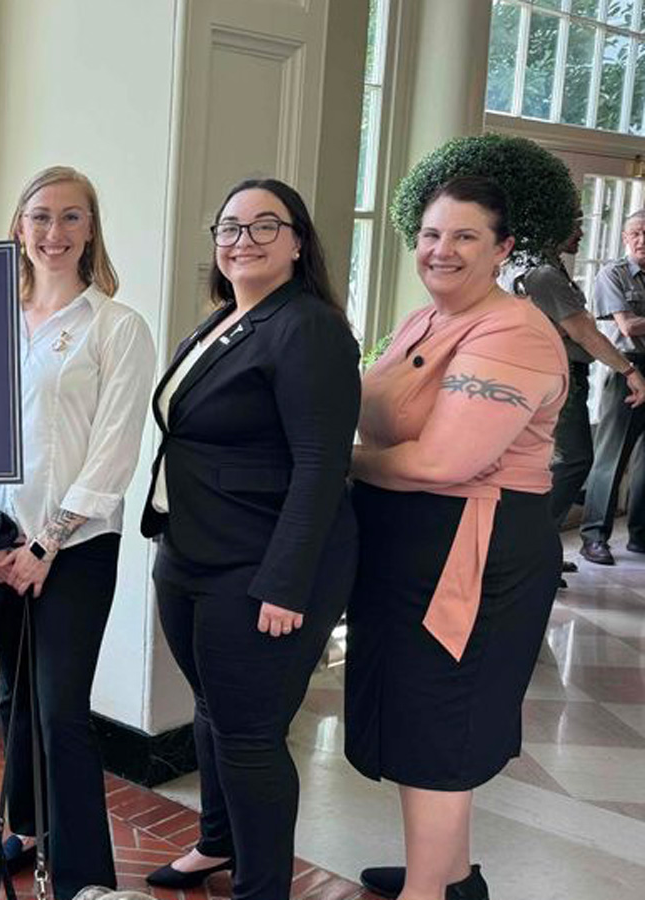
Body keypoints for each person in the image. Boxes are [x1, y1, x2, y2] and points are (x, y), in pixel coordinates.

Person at [138, 179, 360, 900]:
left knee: (249, 735)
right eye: (229, 227)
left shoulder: (309, 327)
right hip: (192, 549)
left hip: (261, 564)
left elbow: (323, 462)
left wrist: (287, 581)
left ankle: (262, 888)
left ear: (298, 243)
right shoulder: (224, 322)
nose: (242, 240)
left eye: (265, 226)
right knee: (213, 713)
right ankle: (215, 844)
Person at [347, 176, 567, 900]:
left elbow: (447, 461)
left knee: (440, 720)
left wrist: (341, 465)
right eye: (433, 234)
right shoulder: (424, 319)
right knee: (417, 714)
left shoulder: (513, 331)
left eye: (466, 236)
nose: (443, 250)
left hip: (474, 546)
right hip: (409, 538)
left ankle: (426, 894)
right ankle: (447, 875)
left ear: (503, 249)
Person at [0, 166, 156, 899]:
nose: (54, 233)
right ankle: (24, 827)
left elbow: (114, 452)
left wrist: (45, 544)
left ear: (91, 230)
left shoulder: (117, 326)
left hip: (73, 550)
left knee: (60, 710)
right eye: (41, 216)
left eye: (71, 217)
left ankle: (84, 879)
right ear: (18, 226)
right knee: (15, 697)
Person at [504, 221, 645, 575]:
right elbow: (589, 332)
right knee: (577, 460)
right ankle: (526, 549)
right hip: (560, 374)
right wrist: (629, 371)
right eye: (575, 225)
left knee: (560, 462)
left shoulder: (549, 268)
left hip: (567, 374)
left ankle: (537, 547)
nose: (582, 233)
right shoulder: (544, 274)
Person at [576, 209, 645, 566]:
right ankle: (593, 537)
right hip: (627, 369)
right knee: (612, 455)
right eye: (636, 233)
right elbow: (629, 327)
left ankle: (640, 535)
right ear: (625, 238)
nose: (642, 240)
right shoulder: (612, 275)